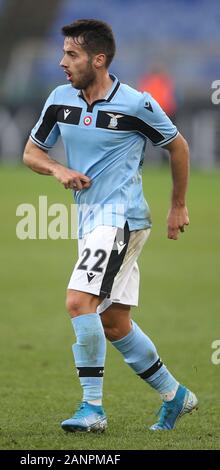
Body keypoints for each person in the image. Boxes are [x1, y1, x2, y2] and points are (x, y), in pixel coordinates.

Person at [23, 19, 198, 433]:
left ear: (98, 60)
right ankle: (175, 395)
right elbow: (31, 152)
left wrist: (178, 205)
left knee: (78, 301)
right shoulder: (59, 99)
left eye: (72, 55)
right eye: (64, 52)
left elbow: (178, 145)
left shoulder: (137, 104)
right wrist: (57, 169)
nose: (62, 62)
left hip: (121, 218)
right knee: (114, 322)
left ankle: (92, 409)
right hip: (90, 219)